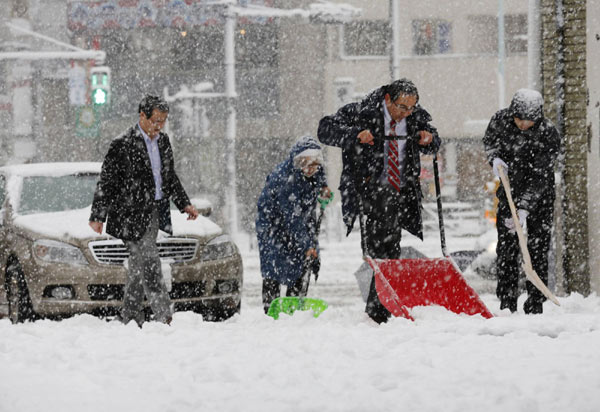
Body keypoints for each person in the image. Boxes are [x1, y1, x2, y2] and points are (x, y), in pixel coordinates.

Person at [317, 78, 440, 323]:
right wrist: (355, 135)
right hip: (370, 189)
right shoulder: (361, 113)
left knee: (388, 249)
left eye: (411, 108)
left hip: (402, 191)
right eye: (402, 108)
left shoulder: (415, 118)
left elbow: (434, 142)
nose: (406, 114)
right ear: (387, 100)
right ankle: (380, 305)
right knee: (382, 247)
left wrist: (428, 139)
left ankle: (380, 304)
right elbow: (325, 130)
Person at [89, 95, 199, 326]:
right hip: (129, 214)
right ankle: (164, 316)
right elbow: (106, 181)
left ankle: (128, 316)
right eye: (155, 120)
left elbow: (168, 177)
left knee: (139, 265)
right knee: (149, 262)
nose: (159, 126)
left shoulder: (163, 141)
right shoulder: (123, 144)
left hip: (154, 211)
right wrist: (98, 215)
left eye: (163, 121)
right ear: (142, 116)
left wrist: (184, 203)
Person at [483, 88, 560, 314]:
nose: (523, 125)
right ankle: (507, 302)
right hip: (509, 192)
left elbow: (540, 177)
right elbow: (490, 141)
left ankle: (536, 302)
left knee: (537, 249)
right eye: (519, 120)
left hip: (540, 198)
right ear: (512, 113)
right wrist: (494, 158)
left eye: (529, 121)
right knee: (506, 251)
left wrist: (525, 208)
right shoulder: (500, 120)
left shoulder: (548, 133)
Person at [256, 136, 333, 314]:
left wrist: (323, 188)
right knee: (274, 265)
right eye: (305, 163)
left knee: (302, 262)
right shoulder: (284, 180)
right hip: (272, 226)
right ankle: (271, 309)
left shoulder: (315, 170)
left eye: (314, 163)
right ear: (296, 161)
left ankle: (294, 305)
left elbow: (319, 178)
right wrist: (306, 245)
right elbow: (293, 219)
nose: (310, 168)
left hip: (299, 219)